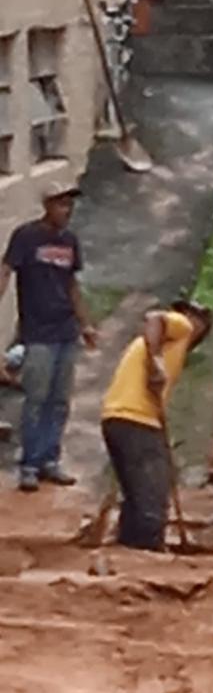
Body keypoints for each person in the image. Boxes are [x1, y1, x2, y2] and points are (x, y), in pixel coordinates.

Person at [0, 181, 98, 492]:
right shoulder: (26, 237)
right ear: (47, 205)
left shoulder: (70, 241)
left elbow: (72, 286)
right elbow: (5, 272)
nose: (66, 210)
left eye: (70, 205)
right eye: (61, 204)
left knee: (59, 401)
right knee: (36, 398)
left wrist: (86, 324)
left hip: (65, 330)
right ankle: (29, 463)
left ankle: (50, 460)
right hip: (38, 331)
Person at [100, 300, 213, 551]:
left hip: (116, 418)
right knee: (153, 492)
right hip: (136, 419)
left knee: (136, 494)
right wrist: (155, 362)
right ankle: (148, 551)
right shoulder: (181, 327)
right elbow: (153, 317)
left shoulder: (168, 344)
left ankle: (130, 547)